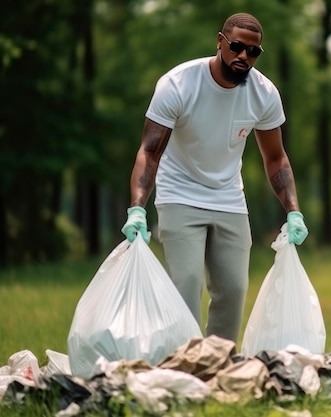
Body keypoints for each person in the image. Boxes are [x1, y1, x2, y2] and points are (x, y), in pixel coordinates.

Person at [121, 12, 309, 343]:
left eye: (253, 52)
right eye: (236, 47)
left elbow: (276, 158)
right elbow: (149, 152)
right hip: (179, 195)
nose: (243, 57)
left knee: (234, 291)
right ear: (220, 42)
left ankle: (217, 366)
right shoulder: (178, 84)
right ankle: (184, 368)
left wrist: (293, 210)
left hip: (228, 197)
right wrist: (138, 207)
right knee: (187, 286)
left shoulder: (263, 94)